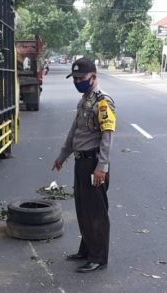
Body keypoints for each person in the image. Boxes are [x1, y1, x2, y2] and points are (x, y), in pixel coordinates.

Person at [53, 58, 115, 273]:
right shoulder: (84, 100)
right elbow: (75, 131)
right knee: (83, 208)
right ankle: (86, 250)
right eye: (75, 78)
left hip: (94, 164)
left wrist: (102, 167)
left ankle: (98, 258)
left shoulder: (103, 102)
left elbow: (107, 136)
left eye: (81, 78)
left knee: (96, 212)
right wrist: (62, 155)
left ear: (94, 77)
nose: (77, 82)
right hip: (81, 162)